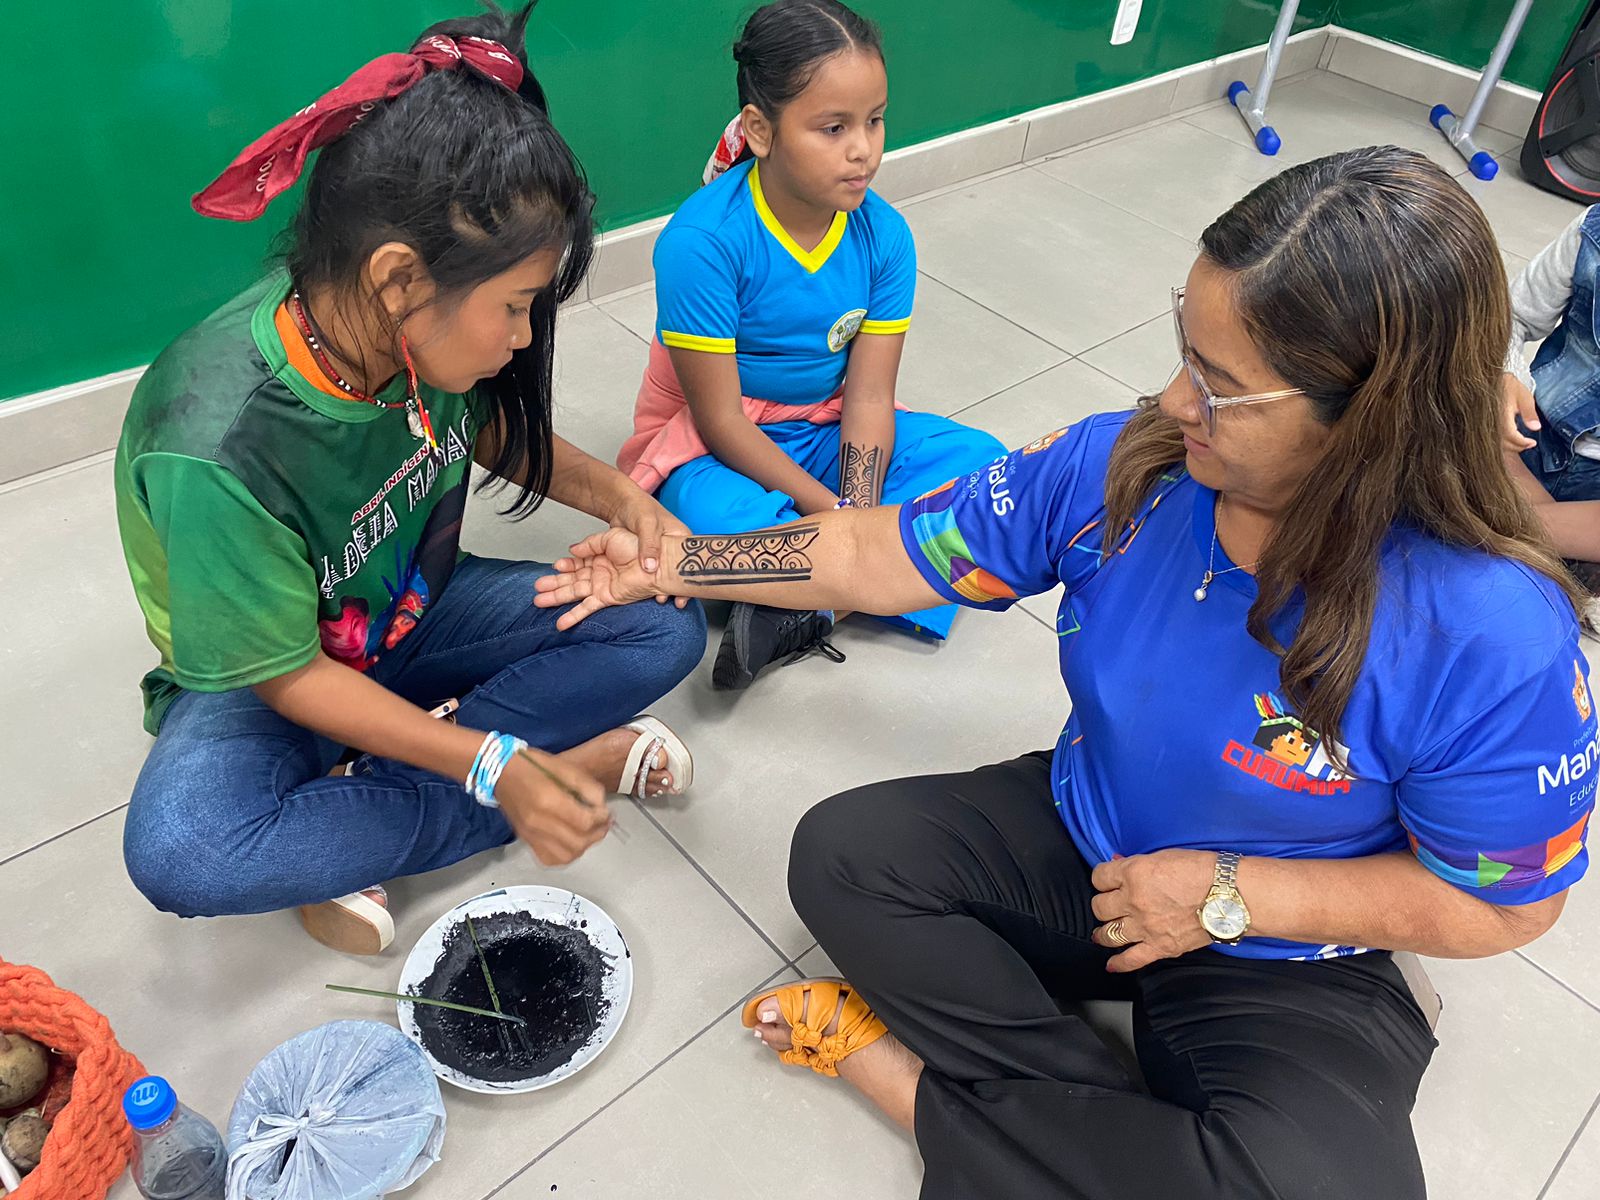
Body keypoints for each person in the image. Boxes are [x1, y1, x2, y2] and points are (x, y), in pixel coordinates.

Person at [537, 146, 1595, 1198]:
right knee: (844, 859)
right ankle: (1113, 1151)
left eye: (1222, 388)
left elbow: (1509, 906)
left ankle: (925, 1097)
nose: (1175, 401)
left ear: (1369, 418)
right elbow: (876, 552)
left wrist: (1230, 893)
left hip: (1295, 942)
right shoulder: (1119, 468)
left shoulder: (1489, 629)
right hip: (1094, 842)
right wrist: (672, 563)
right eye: (1186, 353)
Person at [115, 3, 704, 956]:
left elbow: (487, 429)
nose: (523, 336)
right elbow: (288, 674)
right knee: (186, 851)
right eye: (515, 307)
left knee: (661, 625)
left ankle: (365, 810)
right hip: (274, 678)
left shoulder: (393, 329)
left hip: (412, 613)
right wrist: (494, 763)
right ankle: (543, 769)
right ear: (398, 281)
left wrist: (629, 503)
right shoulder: (215, 444)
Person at [616, 0, 1004, 690]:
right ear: (760, 130)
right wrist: (843, 523)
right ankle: (865, 577)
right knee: (705, 515)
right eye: (834, 128)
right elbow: (720, 421)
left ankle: (811, 605)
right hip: (712, 445)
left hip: (823, 427)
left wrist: (856, 509)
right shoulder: (702, 243)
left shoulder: (885, 236)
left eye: (875, 120)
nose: (864, 150)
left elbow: (870, 396)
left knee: (984, 470)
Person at [1500, 204, 1600, 583]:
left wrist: (1505, 520)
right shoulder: (1591, 234)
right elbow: (1511, 316)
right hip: (1532, 430)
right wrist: (1506, 375)